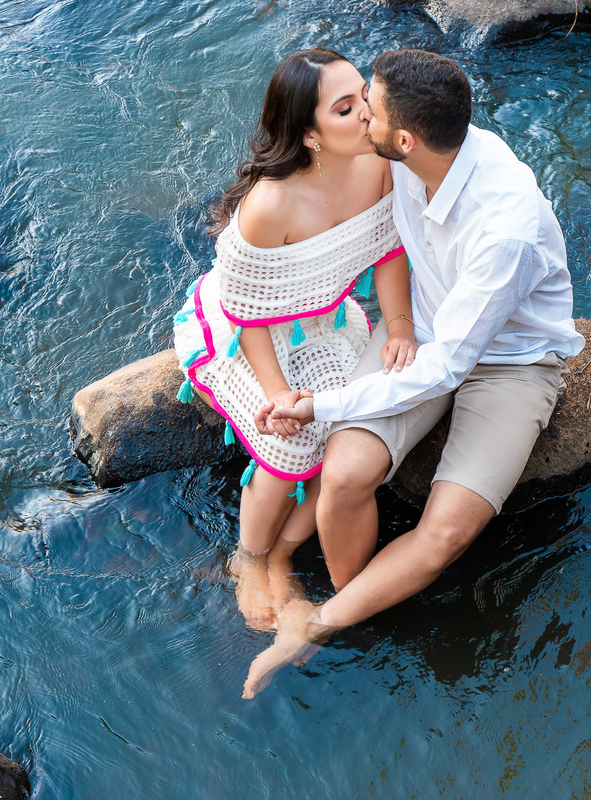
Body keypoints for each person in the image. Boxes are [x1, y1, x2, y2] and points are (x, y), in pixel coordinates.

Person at [244, 48, 585, 698]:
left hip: (511, 364)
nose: (360, 114)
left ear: (403, 138)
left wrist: (320, 405)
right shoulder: (403, 155)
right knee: (344, 475)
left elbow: (449, 368)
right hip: (422, 334)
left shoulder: (504, 226)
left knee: (448, 530)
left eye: (367, 107)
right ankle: (362, 596)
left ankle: (318, 625)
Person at [171, 49, 417, 633]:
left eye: (364, 94)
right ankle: (249, 558)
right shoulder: (270, 205)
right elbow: (247, 314)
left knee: (344, 433)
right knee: (288, 447)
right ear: (309, 135)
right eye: (345, 107)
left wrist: (401, 324)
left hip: (326, 320)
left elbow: (387, 250)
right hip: (241, 332)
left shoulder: (378, 166)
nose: (367, 113)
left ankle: (281, 554)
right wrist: (278, 395)